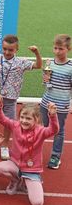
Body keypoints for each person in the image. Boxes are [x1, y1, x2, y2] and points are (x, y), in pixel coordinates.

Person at [0, 93, 59, 205]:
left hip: (31, 169)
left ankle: (26, 181)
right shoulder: (15, 126)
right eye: (22, 117)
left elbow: (54, 130)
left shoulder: (41, 131)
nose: (24, 121)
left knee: (37, 203)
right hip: (15, 164)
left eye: (28, 118)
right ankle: (16, 180)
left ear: (36, 119)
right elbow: (1, 118)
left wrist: (52, 116)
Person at [0, 35, 42, 159]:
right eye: (4, 49)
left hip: (10, 99)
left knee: (9, 124)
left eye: (10, 50)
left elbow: (38, 66)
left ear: (16, 49)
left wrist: (36, 52)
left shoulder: (21, 62)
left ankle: (5, 145)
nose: (7, 52)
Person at [39, 34, 72, 169]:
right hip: (46, 102)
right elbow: (45, 83)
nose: (57, 51)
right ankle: (34, 151)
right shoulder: (49, 63)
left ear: (68, 49)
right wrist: (45, 79)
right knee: (41, 128)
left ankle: (55, 156)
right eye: (55, 48)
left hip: (61, 106)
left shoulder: (71, 67)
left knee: (58, 131)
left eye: (61, 49)